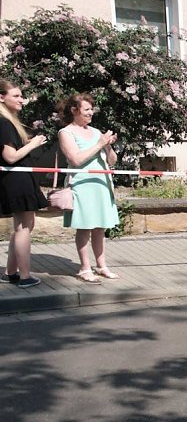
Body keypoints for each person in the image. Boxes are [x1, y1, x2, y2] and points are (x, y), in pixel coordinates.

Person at [57, 92, 121, 283]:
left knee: (100, 227)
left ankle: (102, 266)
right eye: (87, 109)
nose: (91, 113)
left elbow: (113, 161)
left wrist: (107, 146)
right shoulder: (66, 132)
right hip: (82, 184)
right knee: (85, 227)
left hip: (101, 184)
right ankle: (85, 268)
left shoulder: (95, 131)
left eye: (92, 109)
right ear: (74, 110)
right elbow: (75, 159)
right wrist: (99, 144)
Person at [0, 79, 48, 288]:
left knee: (24, 226)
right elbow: (10, 157)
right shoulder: (4, 122)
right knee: (23, 227)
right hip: (16, 180)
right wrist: (33, 144)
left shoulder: (8, 122)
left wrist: (26, 143)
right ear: (2, 97)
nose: (22, 100)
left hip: (19, 178)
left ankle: (12, 272)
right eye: (16, 96)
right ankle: (25, 276)